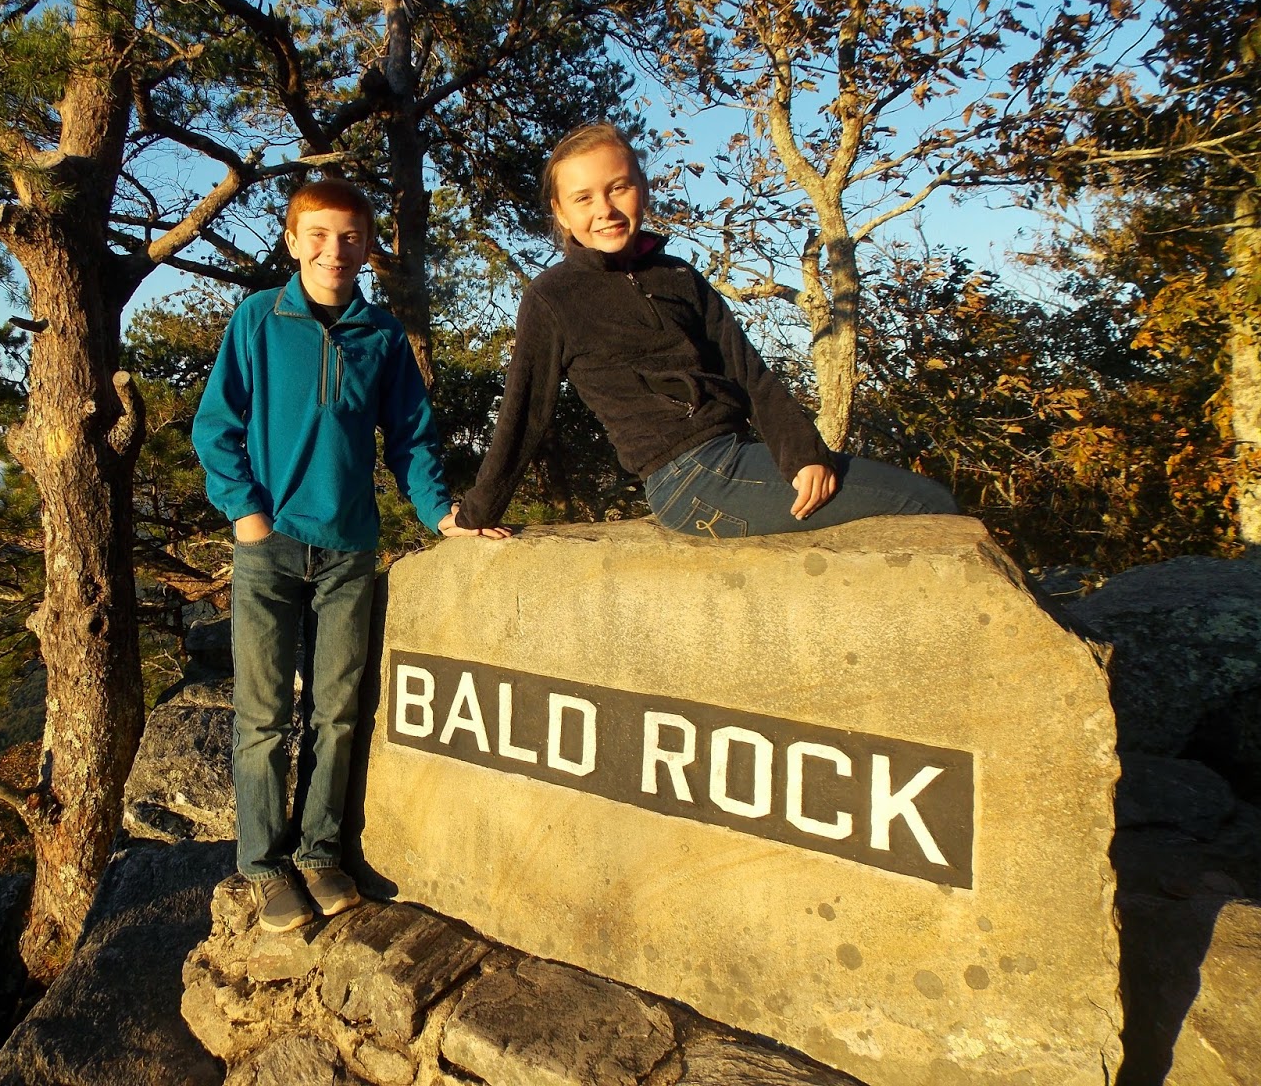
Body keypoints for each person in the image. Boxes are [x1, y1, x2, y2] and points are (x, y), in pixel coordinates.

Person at [193, 180, 505, 934]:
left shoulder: (382, 337)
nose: (337, 251)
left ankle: (319, 854)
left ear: (368, 248)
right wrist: (246, 514)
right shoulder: (259, 321)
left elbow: (410, 435)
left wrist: (439, 512)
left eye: (352, 238)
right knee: (264, 718)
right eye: (321, 235)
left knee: (337, 712)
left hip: (348, 551)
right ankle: (264, 866)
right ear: (294, 241)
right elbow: (216, 427)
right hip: (271, 550)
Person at [452, 122, 957, 538]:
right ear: (561, 212)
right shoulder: (554, 295)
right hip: (688, 479)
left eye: (618, 187)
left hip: (737, 454)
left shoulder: (678, 277)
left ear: (642, 189)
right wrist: (479, 510)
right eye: (582, 198)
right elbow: (524, 411)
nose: (603, 209)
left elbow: (748, 372)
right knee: (925, 502)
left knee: (924, 500)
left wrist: (803, 454)